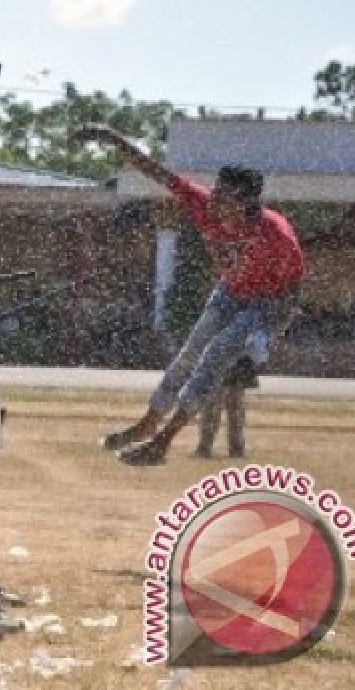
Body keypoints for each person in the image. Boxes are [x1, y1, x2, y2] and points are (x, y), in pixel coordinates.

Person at [73, 123, 303, 466]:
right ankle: (147, 426)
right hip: (228, 293)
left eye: (226, 197)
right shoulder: (203, 204)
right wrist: (112, 136)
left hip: (263, 304)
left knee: (211, 362)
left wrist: (266, 335)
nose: (216, 202)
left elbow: (292, 290)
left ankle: (161, 444)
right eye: (217, 192)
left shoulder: (276, 234)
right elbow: (156, 172)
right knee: (186, 358)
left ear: (246, 203)